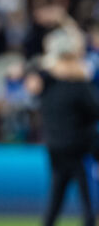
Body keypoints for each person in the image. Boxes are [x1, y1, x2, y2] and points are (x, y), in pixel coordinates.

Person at [25, 25, 99, 226]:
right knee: (87, 199)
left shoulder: (46, 82)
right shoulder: (79, 84)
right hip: (78, 148)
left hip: (55, 146)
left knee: (56, 196)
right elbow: (95, 111)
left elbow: (32, 79)